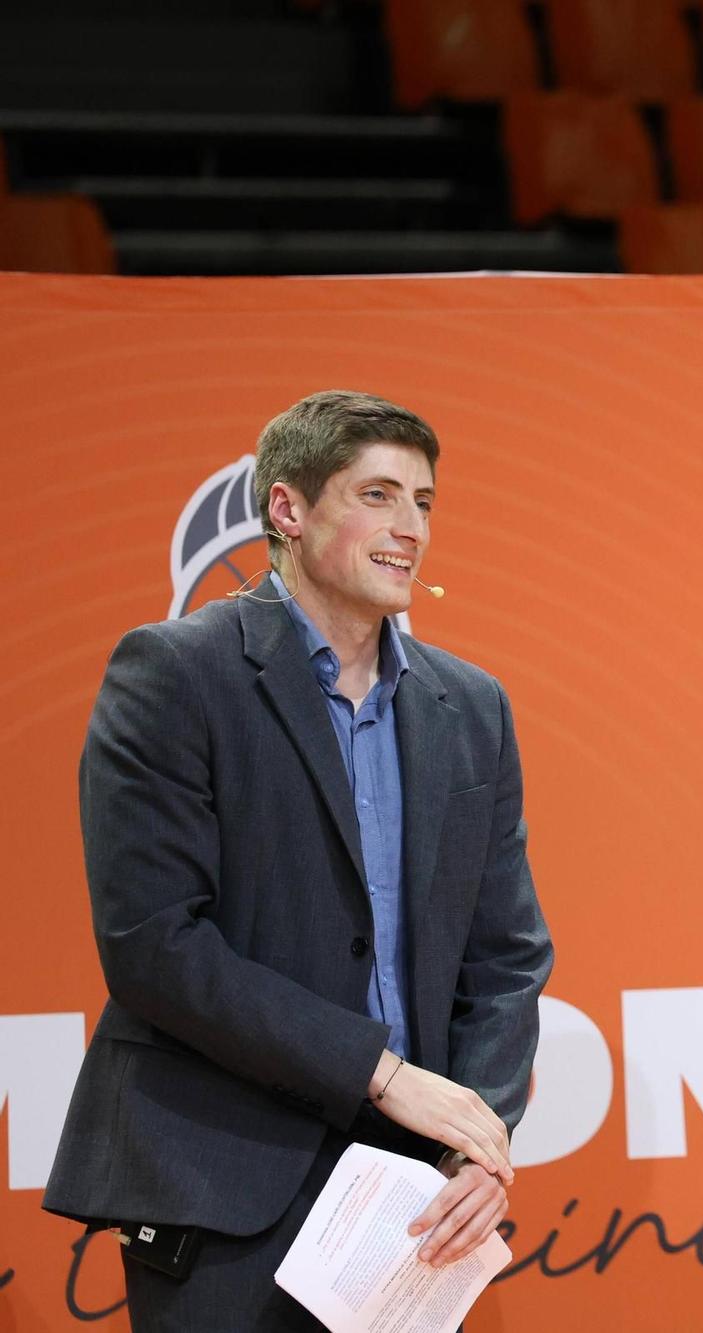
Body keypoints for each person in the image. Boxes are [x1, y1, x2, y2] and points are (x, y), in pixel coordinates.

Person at [42, 390, 554, 1329]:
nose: (410, 529)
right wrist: (382, 1071)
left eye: (425, 502)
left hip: (409, 1198)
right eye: (378, 495)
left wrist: (479, 1137)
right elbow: (153, 943)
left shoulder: (471, 706)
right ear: (287, 510)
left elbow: (508, 953)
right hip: (222, 1175)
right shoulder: (175, 673)